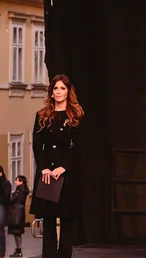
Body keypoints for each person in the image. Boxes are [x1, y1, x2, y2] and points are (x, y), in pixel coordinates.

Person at [31, 74, 85, 258]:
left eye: (62, 88)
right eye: (56, 88)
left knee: (67, 221)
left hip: (66, 174)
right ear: (51, 92)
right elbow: (37, 145)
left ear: (68, 91)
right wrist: (44, 167)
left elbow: (79, 146)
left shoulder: (76, 116)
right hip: (47, 173)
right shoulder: (42, 116)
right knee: (48, 221)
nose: (59, 92)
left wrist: (64, 167)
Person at [7, 176, 30, 257]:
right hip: (20, 212)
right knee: (17, 232)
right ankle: (18, 250)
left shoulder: (19, 190)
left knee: (16, 232)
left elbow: (11, 200)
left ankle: (19, 251)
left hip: (16, 213)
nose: (15, 182)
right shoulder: (24, 190)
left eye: (17, 181)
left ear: (21, 182)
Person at [0, 165, 12, 258]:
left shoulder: (6, 183)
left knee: (0, 231)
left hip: (2, 208)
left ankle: (1, 253)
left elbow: (5, 197)